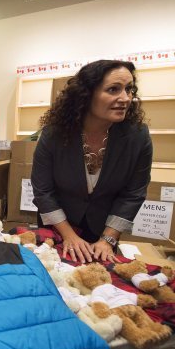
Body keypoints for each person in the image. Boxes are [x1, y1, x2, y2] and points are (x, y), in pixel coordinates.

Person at [31, 60, 152, 263]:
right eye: (113, 89)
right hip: (58, 226)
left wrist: (108, 239)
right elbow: (43, 191)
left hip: (104, 229)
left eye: (129, 89)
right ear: (86, 95)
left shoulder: (138, 137)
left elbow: (133, 194)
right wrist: (69, 236)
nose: (125, 98)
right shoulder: (54, 134)